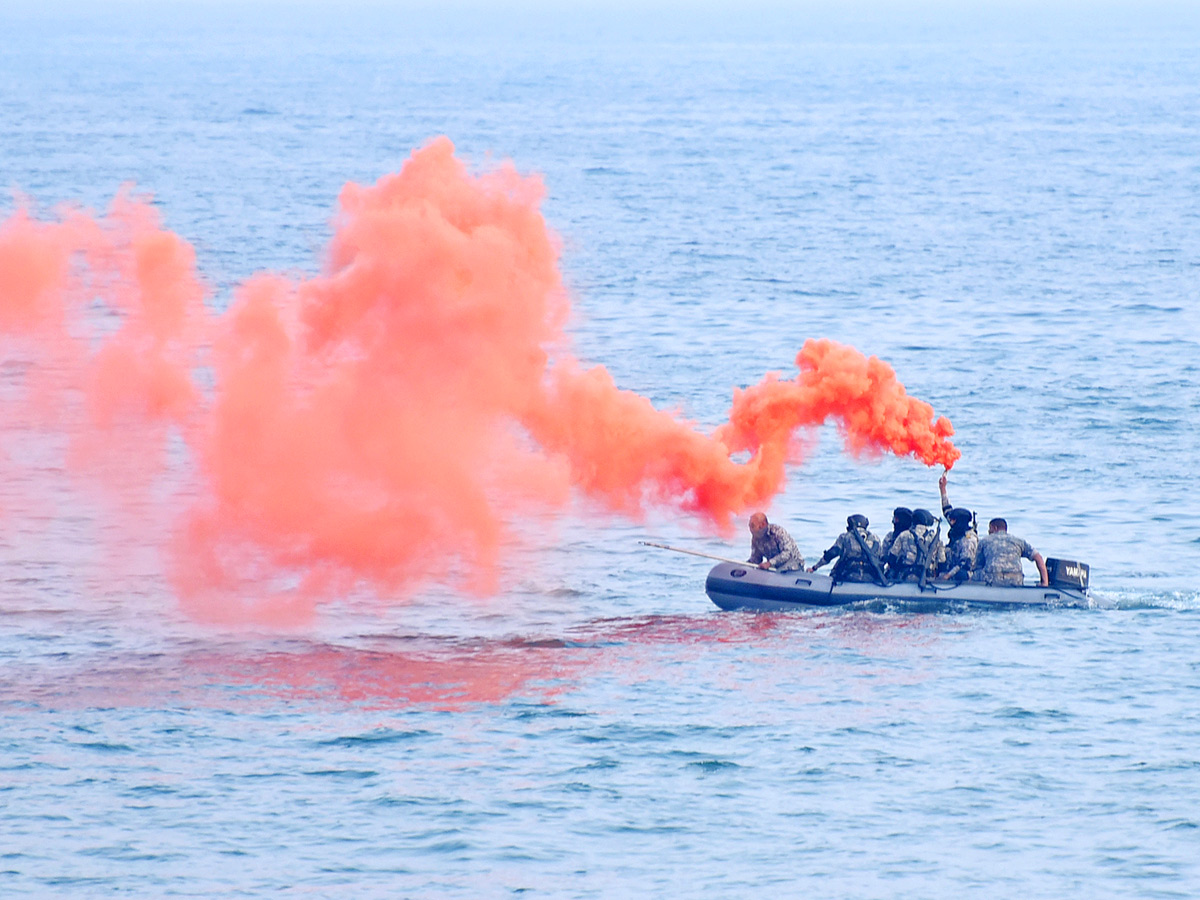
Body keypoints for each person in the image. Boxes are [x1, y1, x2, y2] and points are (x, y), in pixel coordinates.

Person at [808, 514, 885, 582]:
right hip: (870, 578)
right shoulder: (876, 539)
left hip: (848, 576)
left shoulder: (845, 537)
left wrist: (814, 567)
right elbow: (881, 558)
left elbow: (831, 554)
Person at [975, 518, 1049, 586]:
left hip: (992, 580)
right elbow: (1038, 558)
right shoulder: (1019, 541)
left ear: (995, 528)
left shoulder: (984, 541)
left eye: (990, 528)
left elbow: (977, 565)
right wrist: (1044, 583)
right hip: (1016, 580)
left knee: (974, 572)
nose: (988, 531)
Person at [886, 508, 946, 582]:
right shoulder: (936, 539)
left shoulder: (904, 535)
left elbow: (892, 558)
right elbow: (942, 562)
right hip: (928, 577)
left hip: (906, 576)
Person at [938, 473, 977, 582]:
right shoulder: (958, 527)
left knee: (961, 574)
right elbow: (947, 510)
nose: (950, 521)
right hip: (951, 565)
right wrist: (943, 489)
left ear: (959, 521)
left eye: (953, 520)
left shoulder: (968, 539)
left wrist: (947, 576)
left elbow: (964, 563)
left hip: (964, 572)